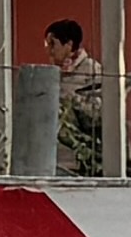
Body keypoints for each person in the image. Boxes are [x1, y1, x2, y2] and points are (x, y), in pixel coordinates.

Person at [39, 18, 113, 176]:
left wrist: (73, 101)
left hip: (82, 160)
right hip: (54, 159)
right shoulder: (51, 74)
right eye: (46, 44)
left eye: (53, 44)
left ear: (69, 45)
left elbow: (99, 115)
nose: (49, 50)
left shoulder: (92, 72)